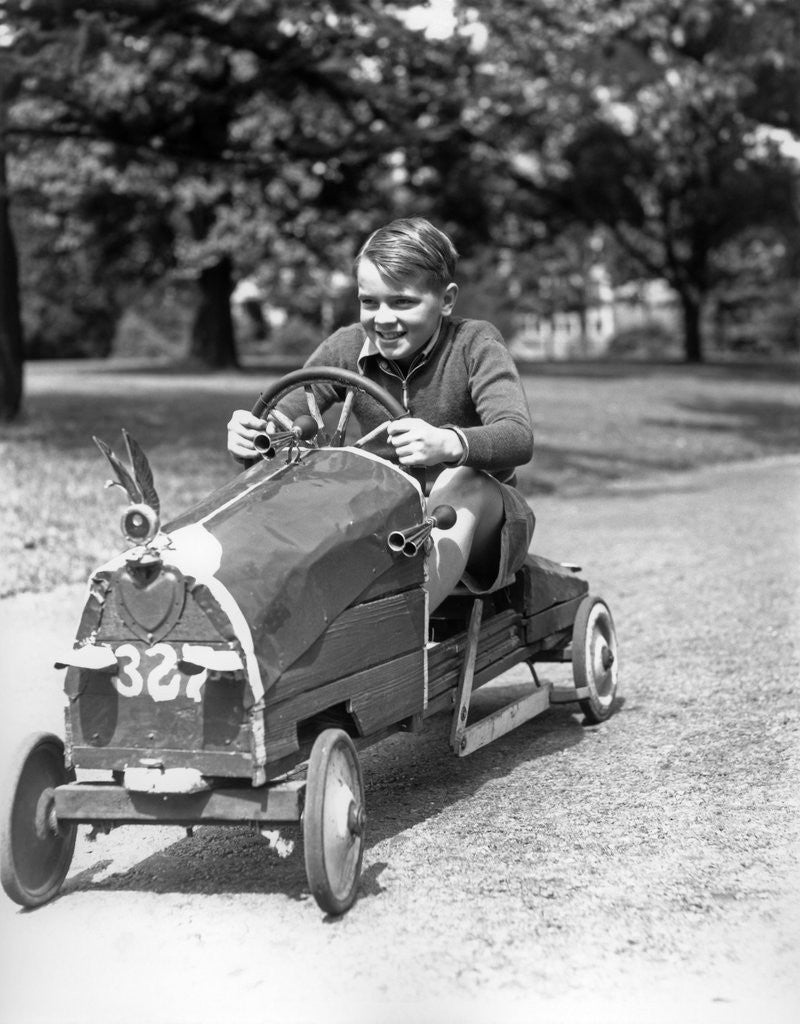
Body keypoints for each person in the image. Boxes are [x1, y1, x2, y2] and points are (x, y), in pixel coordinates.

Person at [227, 217, 534, 611]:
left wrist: (448, 442)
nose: (383, 318)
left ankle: (402, 627)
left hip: (482, 530)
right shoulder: (346, 346)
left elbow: (518, 436)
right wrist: (252, 438)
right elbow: (282, 422)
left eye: (403, 302)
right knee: (316, 482)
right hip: (384, 519)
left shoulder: (474, 343)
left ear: (446, 299)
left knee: (463, 481)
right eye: (369, 302)